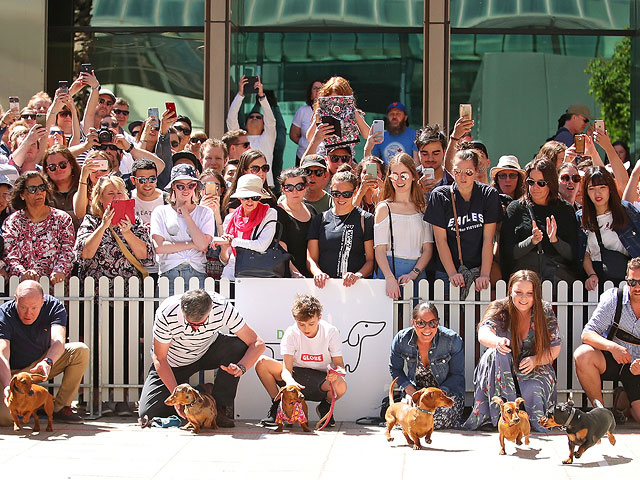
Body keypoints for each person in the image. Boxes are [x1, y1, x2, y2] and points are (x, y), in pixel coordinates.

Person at [137, 288, 265, 428]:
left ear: (210, 310)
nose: (195, 329)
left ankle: (219, 408)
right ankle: (202, 392)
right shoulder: (166, 312)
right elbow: (160, 358)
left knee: (238, 346)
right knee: (149, 413)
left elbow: (257, 343)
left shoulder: (221, 306)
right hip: (173, 363)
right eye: (191, 324)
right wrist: (178, 398)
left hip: (207, 351)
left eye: (200, 323)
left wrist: (241, 367)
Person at [463, 270, 561, 432]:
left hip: (533, 365)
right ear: (510, 291)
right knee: (496, 353)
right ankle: (491, 418)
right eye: (518, 292)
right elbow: (483, 333)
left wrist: (536, 359)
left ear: (536, 294)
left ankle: (531, 422)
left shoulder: (544, 311)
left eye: (529, 293)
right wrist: (497, 342)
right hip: (500, 366)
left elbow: (555, 347)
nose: (524, 298)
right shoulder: (500, 307)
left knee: (532, 389)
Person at [0, 280, 90, 425]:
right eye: (23, 307)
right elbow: (2, 354)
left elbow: (58, 341)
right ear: (15, 300)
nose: (28, 313)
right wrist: (6, 386)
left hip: (41, 364)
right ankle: (36, 405)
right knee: (6, 419)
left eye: (34, 308)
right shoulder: (4, 313)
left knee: (80, 351)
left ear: (43, 301)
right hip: (12, 374)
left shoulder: (54, 306)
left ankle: (60, 408)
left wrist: (47, 362)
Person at [256, 294, 346, 427]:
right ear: (295, 319)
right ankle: (278, 406)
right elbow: (287, 369)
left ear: (319, 317)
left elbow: (340, 365)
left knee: (341, 385)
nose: (306, 329)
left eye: (311, 323)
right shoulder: (291, 333)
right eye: (301, 324)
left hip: (321, 379)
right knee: (262, 363)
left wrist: (336, 373)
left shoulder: (331, 331)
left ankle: (325, 407)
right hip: (295, 375)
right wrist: (290, 381)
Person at [424, 149, 502, 296]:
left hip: (478, 269)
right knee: (447, 316)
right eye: (458, 171)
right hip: (447, 270)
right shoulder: (440, 196)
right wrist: (452, 273)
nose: (462, 177)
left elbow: (488, 239)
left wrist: (485, 273)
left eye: (468, 172)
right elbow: (441, 240)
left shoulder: (488, 195)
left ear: (476, 171)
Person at [574, 258, 640, 424]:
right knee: (583, 355)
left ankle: (624, 402)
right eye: (632, 282)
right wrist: (612, 347)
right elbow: (587, 334)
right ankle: (602, 416)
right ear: (626, 280)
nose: (637, 287)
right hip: (613, 359)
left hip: (638, 368)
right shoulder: (614, 298)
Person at [500, 158, 581, 283]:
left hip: (557, 285)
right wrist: (531, 241)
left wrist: (555, 240)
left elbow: (574, 255)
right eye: (531, 182)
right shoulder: (516, 209)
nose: (535, 187)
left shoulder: (565, 210)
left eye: (541, 183)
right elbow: (507, 254)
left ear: (551, 184)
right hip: (524, 283)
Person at [389, 302, 464, 429]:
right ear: (413, 323)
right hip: (417, 394)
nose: (427, 328)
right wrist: (410, 391)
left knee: (431, 419)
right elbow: (395, 368)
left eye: (432, 323)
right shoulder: (402, 340)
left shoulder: (452, 340)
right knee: (408, 416)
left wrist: (439, 394)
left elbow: (457, 376)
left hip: (445, 394)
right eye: (421, 323)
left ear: (438, 322)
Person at [74, 175, 153, 288]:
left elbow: (145, 255)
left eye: (119, 193)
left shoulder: (134, 222)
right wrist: (103, 226)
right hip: (96, 292)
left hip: (130, 292)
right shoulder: (91, 221)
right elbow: (85, 254)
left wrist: (127, 233)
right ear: (100, 198)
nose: (116, 197)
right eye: (110, 194)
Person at [374, 153, 433, 299]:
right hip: (389, 272)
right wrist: (389, 278)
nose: (399, 180)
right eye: (394, 176)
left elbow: (427, 248)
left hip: (417, 273)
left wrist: (414, 274)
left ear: (413, 176)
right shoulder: (383, 208)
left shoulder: (422, 208)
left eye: (404, 175)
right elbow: (379, 249)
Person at [307, 167, 374, 288]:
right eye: (336, 194)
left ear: (355, 192)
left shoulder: (365, 219)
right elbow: (311, 258)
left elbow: (371, 260)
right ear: (330, 190)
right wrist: (318, 273)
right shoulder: (320, 219)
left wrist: (357, 275)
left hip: (356, 288)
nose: (341, 198)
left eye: (346, 194)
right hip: (325, 287)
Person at [150, 164, 213, 294]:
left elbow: (202, 245)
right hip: (169, 274)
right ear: (173, 186)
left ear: (196, 186)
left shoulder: (205, 212)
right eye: (180, 186)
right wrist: (192, 244)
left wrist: (186, 214)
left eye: (191, 185)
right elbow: (160, 247)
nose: (186, 190)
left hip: (196, 273)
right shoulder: (160, 211)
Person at [2, 171, 74, 284]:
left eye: (42, 187)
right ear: (22, 195)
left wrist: (60, 270)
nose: (39, 192)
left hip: (56, 288)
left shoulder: (62, 219)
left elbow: (68, 250)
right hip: (24, 288)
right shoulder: (12, 222)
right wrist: (22, 273)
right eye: (32, 189)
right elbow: (9, 255)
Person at [579, 167, 640, 290]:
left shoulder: (625, 211)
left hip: (625, 277)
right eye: (592, 189)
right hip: (596, 279)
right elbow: (583, 252)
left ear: (610, 188)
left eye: (602, 187)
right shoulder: (581, 217)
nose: (597, 193)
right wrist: (591, 274)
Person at [216, 174, 278, 280]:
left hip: (256, 275)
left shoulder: (269, 214)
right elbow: (225, 259)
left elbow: (262, 245)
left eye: (255, 197)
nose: (250, 201)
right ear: (239, 198)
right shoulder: (230, 219)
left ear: (260, 197)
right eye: (245, 197)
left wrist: (233, 241)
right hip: (231, 274)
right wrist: (223, 245)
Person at [226, 76, 277, 186]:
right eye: (251, 117)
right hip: (242, 185)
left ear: (263, 124)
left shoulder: (268, 137)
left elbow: (271, 121)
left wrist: (262, 97)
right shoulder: (240, 138)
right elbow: (231, 118)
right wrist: (240, 94)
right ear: (245, 123)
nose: (254, 118)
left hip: (266, 185)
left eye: (258, 117)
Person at [276, 168, 317, 278]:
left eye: (299, 186)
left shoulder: (312, 210)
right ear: (283, 190)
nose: (295, 191)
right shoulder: (278, 213)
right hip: (289, 276)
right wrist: (294, 272)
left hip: (312, 275)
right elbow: (281, 250)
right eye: (289, 188)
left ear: (305, 187)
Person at [222, 149, 277, 215]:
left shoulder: (270, 198)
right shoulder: (235, 199)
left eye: (264, 168)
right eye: (255, 169)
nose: (261, 173)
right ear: (244, 171)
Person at [40, 145, 81, 230]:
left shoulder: (84, 188)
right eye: (52, 167)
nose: (58, 169)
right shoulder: (41, 192)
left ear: (72, 164)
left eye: (62, 165)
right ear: (46, 170)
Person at [415, 124, 453, 199]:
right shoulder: (408, 179)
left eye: (435, 153)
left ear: (444, 152)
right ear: (418, 153)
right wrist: (416, 192)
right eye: (425, 154)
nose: (430, 158)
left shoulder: (453, 182)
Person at [290, 80, 323, 166]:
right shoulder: (302, 111)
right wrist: (306, 144)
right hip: (304, 157)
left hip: (325, 158)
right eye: (315, 88)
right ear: (310, 94)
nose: (318, 90)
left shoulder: (332, 111)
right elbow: (293, 135)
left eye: (321, 88)